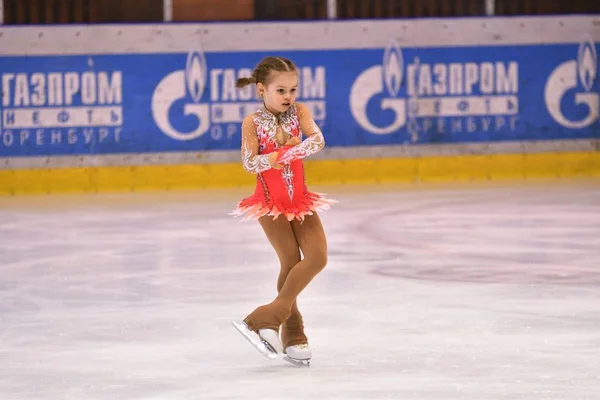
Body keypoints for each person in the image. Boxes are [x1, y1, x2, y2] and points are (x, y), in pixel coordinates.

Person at [230, 56, 336, 366]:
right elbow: (250, 163)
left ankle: (266, 317)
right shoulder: (251, 122)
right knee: (290, 262)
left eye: (293, 89)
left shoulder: (300, 113)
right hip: (270, 204)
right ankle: (294, 333)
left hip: (301, 202)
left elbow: (317, 141)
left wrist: (286, 150)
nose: (288, 96)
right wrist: (282, 152)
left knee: (317, 258)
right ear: (261, 90)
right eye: (281, 90)